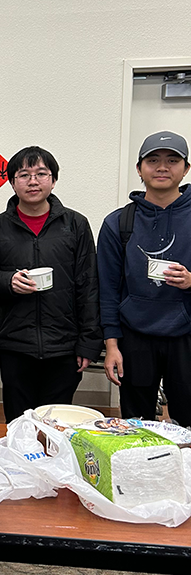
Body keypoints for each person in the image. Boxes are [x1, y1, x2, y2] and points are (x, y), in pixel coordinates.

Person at [0, 145, 102, 422]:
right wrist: (8, 281)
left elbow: (88, 285)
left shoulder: (76, 225)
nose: (33, 181)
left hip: (64, 346)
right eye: (24, 175)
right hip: (15, 345)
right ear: (12, 182)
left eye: (41, 174)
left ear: (53, 180)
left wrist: (89, 343)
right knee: (19, 424)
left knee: (57, 424)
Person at [98, 130, 191, 427]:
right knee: (135, 422)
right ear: (139, 168)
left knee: (188, 421)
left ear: (186, 168)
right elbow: (108, 289)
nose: (162, 167)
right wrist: (111, 345)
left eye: (172, 160)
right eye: (153, 160)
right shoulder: (118, 222)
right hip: (135, 335)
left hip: (186, 334)